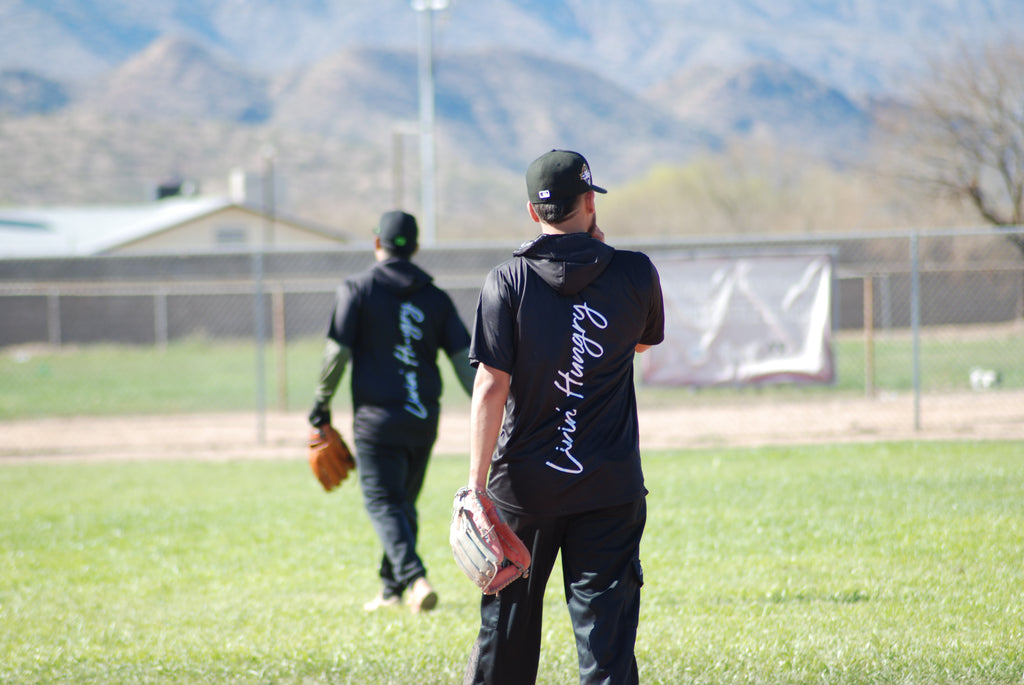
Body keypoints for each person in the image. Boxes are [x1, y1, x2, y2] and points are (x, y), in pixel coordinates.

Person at [463, 150, 665, 684]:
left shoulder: (506, 280)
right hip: (609, 486)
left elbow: (490, 385)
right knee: (607, 639)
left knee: (506, 633)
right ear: (590, 202)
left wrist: (473, 487)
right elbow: (639, 343)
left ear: (534, 212)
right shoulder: (635, 271)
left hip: (522, 491)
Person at [309, 210, 476, 613]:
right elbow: (464, 360)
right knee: (402, 504)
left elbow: (337, 354)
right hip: (422, 419)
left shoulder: (358, 288)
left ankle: (415, 577)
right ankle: (391, 592)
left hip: (376, 421)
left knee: (383, 503)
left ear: (376, 242)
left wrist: (320, 404)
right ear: (416, 247)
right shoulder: (435, 297)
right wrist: (493, 408)